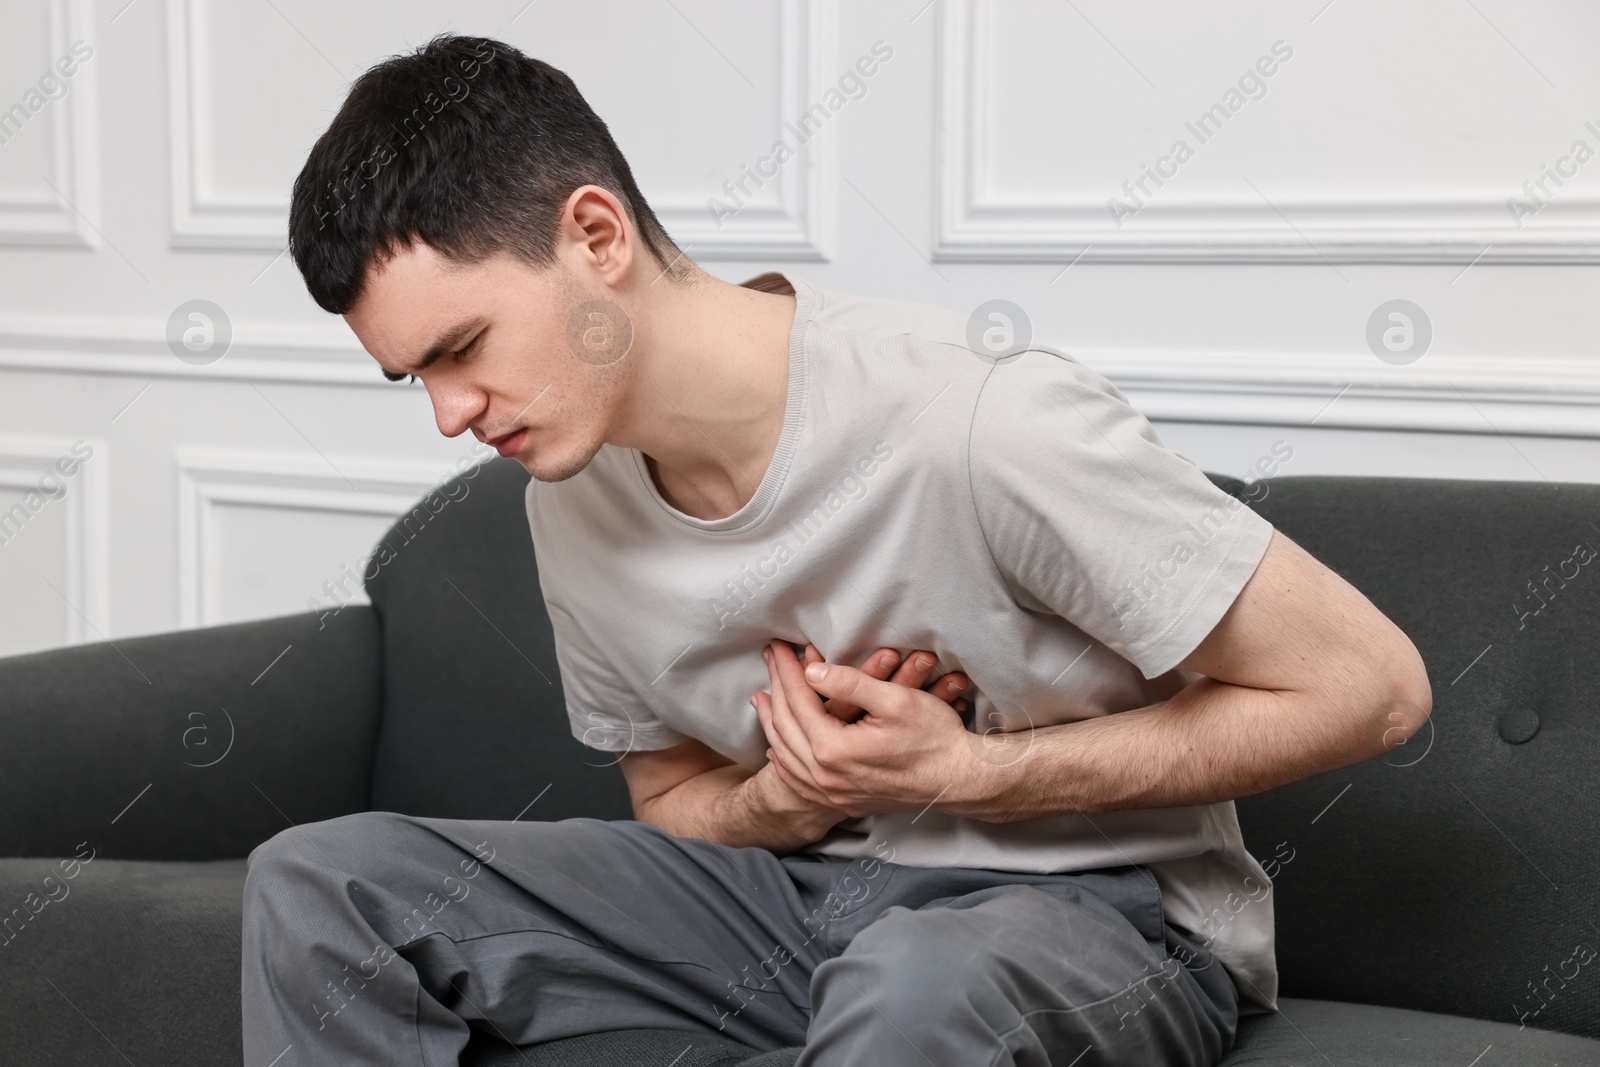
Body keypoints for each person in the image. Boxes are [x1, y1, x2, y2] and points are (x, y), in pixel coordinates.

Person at [242, 33, 1432, 1067]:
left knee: (915, 981)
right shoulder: (569, 492)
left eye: (462, 347)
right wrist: (782, 793)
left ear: (594, 234)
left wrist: (975, 776)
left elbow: (1370, 688)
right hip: (799, 902)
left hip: (1096, 911)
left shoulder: (976, 422)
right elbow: (667, 799)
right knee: (324, 886)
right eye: (416, 378)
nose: (451, 413)